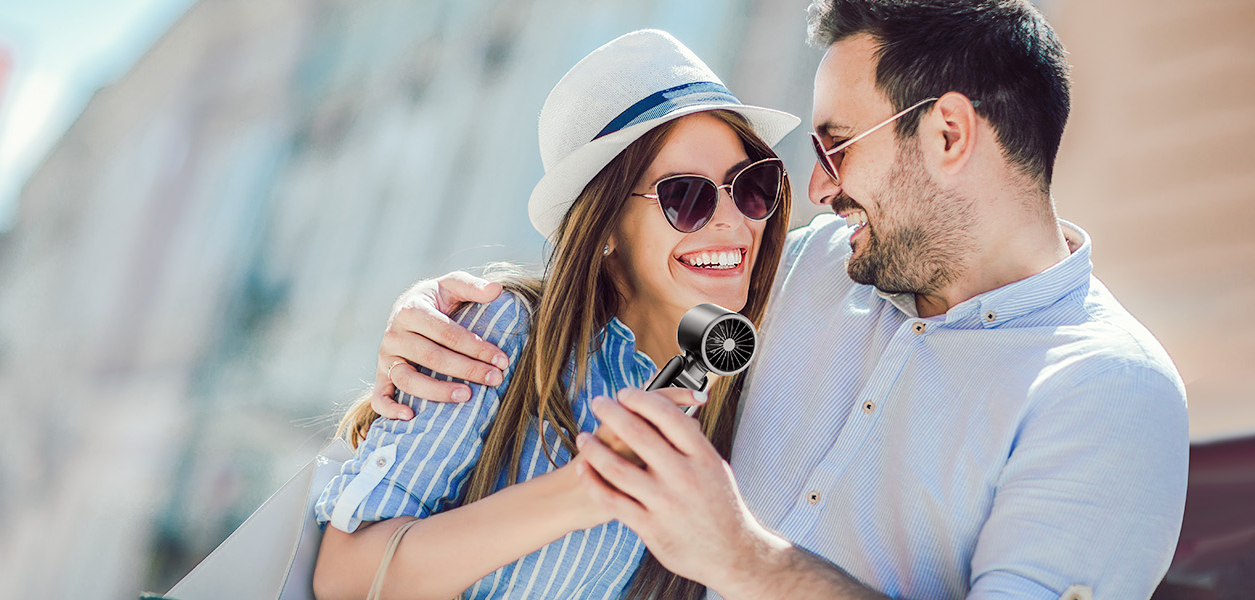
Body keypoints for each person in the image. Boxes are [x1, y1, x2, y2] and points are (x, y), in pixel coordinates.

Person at [368, 1, 1190, 599]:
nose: (815, 186)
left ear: (947, 134)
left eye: (836, 147)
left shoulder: (1111, 396)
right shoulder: (803, 270)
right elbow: (630, 286)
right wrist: (438, 313)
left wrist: (743, 558)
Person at [311, 30, 801, 599]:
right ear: (606, 226)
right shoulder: (505, 334)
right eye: (687, 196)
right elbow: (344, 578)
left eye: (752, 187)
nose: (734, 223)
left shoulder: (738, 378)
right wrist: (592, 484)